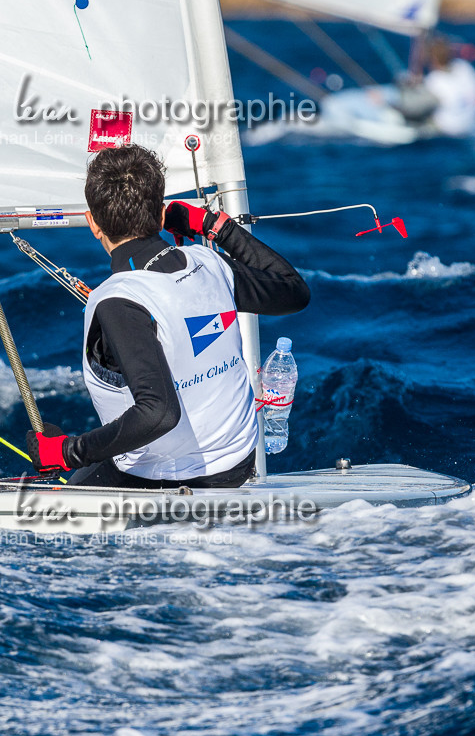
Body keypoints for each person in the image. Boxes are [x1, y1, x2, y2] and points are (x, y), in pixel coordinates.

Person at [24, 144, 309, 489]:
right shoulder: (210, 264)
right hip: (237, 463)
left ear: (93, 223)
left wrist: (69, 452)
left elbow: (158, 413)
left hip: (165, 482)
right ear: (162, 215)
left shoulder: (118, 302)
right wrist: (215, 226)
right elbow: (294, 291)